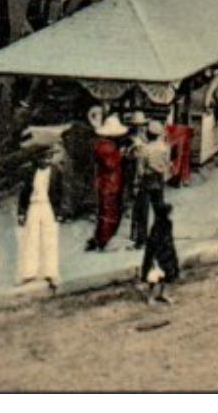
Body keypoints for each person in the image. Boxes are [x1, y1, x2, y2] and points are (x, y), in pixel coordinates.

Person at [17, 148, 64, 289]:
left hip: (49, 207)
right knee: (31, 238)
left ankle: (51, 272)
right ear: (37, 159)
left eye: (49, 157)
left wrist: (60, 212)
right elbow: (24, 193)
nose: (47, 161)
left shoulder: (56, 172)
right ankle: (29, 272)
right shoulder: (30, 172)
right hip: (34, 206)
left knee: (50, 239)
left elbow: (61, 193)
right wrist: (21, 212)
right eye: (43, 158)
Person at [87, 114, 128, 251]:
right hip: (109, 184)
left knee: (106, 212)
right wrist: (121, 155)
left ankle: (101, 238)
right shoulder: (108, 147)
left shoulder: (103, 145)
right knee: (108, 213)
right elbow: (111, 165)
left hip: (107, 182)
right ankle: (103, 240)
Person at [130, 121, 171, 249]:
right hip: (159, 179)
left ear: (148, 133)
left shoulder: (145, 149)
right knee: (159, 209)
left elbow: (140, 170)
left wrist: (136, 182)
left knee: (143, 211)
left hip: (147, 180)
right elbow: (167, 164)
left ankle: (141, 241)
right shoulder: (164, 147)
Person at [141, 200, 180, 306]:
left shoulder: (168, 224)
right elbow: (153, 243)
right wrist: (154, 258)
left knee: (168, 275)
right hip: (159, 255)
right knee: (155, 277)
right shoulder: (157, 227)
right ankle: (151, 297)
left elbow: (169, 239)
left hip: (167, 253)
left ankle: (163, 294)